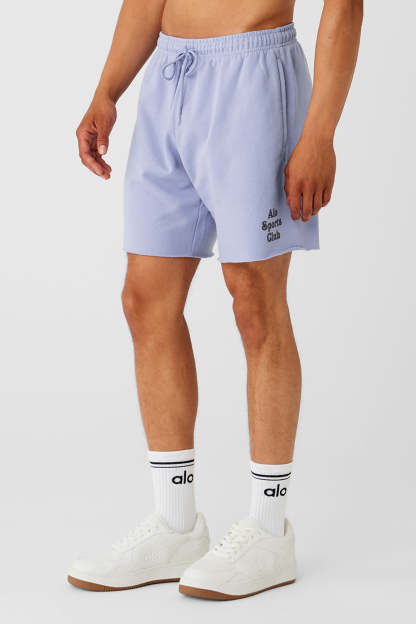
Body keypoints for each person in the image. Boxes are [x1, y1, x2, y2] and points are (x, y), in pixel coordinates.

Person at [68, 0, 363, 600]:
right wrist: (107, 89)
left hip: (254, 79)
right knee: (145, 298)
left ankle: (269, 529)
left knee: (254, 299)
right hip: (170, 79)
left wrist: (319, 133)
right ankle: (175, 524)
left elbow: (345, 6)